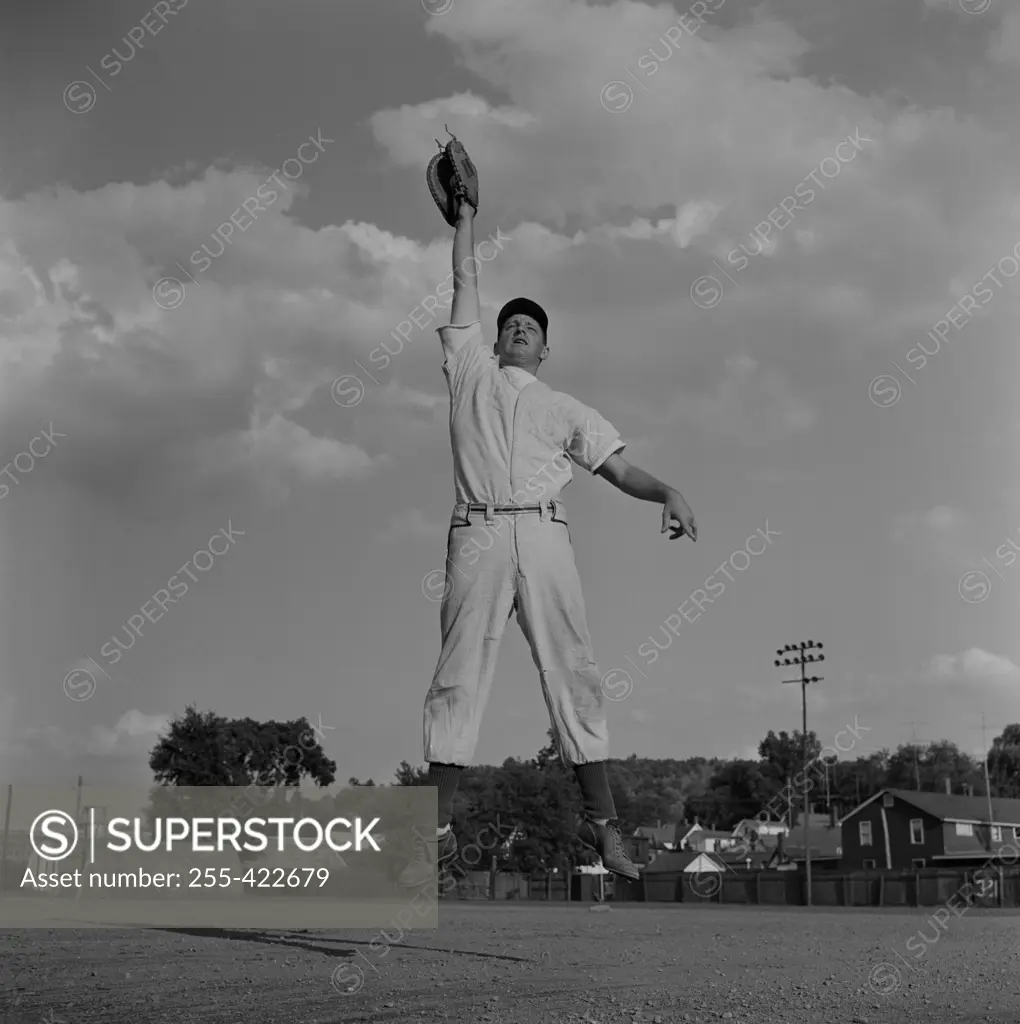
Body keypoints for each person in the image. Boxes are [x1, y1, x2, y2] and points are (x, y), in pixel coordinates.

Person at [399, 192, 696, 887]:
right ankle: (436, 829)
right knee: (457, 674)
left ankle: (605, 830)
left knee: (575, 670)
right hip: (476, 529)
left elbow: (619, 470)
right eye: (512, 323)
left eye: (532, 324)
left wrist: (668, 491)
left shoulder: (566, 407)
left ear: (545, 346)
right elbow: (465, 285)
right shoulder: (468, 369)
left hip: (544, 534)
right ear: (494, 339)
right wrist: (466, 222)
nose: (521, 328)